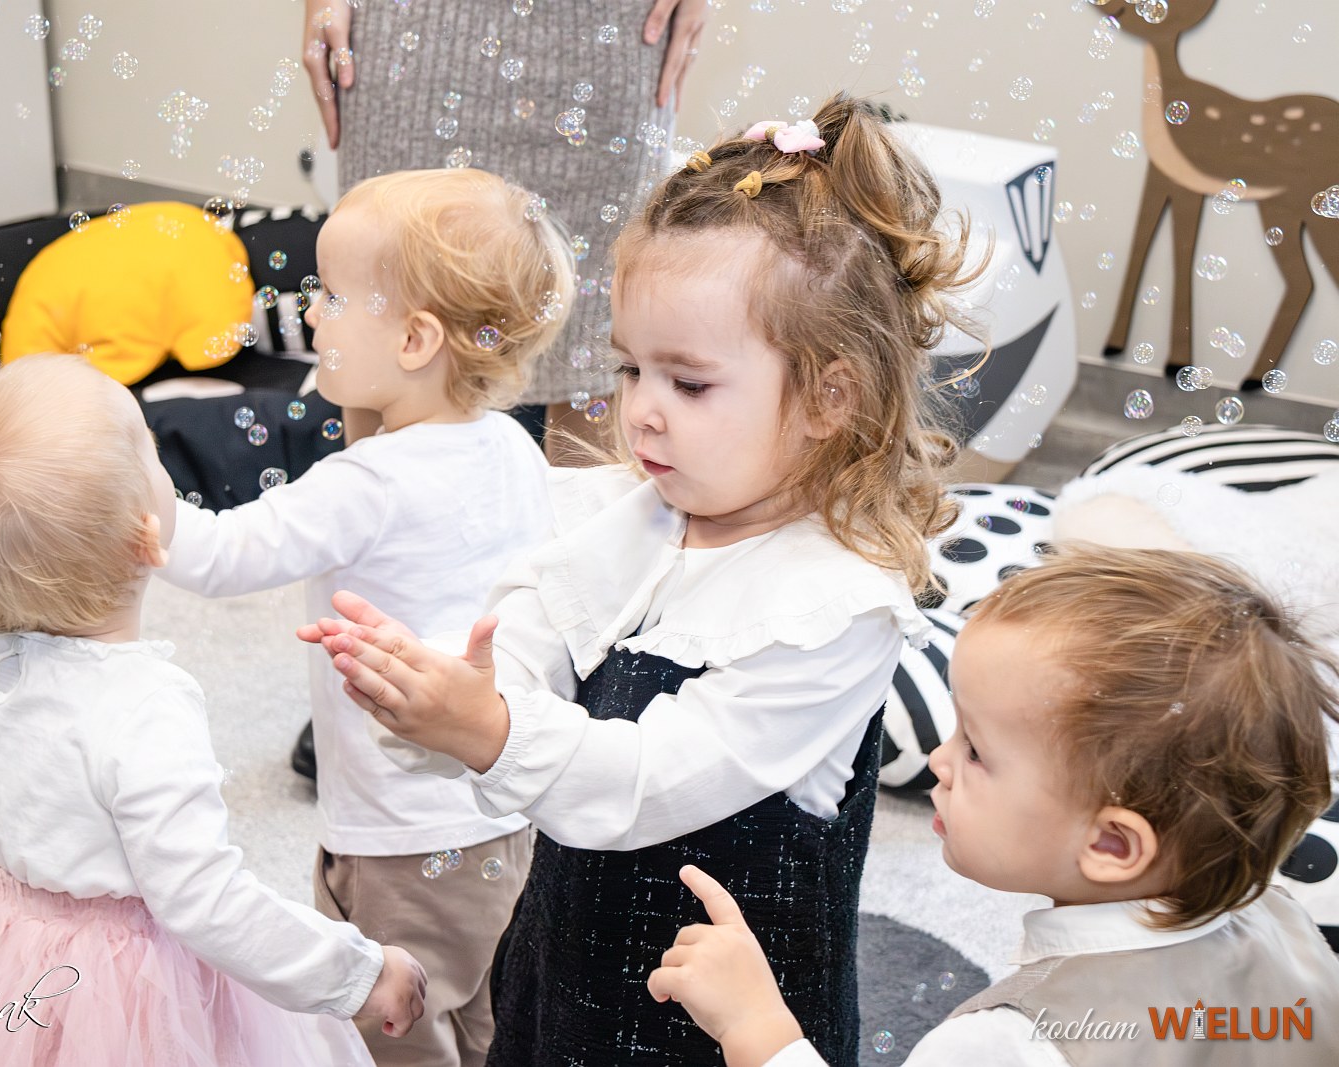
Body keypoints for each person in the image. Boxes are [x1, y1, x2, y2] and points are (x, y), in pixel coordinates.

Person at [302, 95, 980, 1065]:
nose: (641, 412)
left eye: (688, 382)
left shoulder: (833, 609)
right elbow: (528, 629)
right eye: (629, 370)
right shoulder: (628, 512)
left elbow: (644, 782)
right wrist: (443, 695)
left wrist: (490, 730)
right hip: (567, 969)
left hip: (713, 1029)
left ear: (830, 395)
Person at [0, 354, 424, 1067]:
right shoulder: (146, 706)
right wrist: (358, 975)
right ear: (147, 537)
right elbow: (208, 902)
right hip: (122, 984)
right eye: (150, 449)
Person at [157, 167, 574, 1067]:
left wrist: (131, 475)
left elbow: (217, 555)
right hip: (504, 802)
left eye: (333, 296)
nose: (310, 314)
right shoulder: (513, 445)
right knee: (493, 1015)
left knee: (391, 1030)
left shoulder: (363, 485)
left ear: (416, 339)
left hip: (397, 840)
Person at [647, 545, 1339, 1066]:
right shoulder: (1288, 928)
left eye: (976, 750)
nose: (940, 761)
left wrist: (757, 1027)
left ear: (1112, 845)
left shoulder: (1012, 1041)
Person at [302, 0, 709, 461]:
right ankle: (370, 500)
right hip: (408, 28)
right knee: (378, 294)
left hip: (608, 29)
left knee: (594, 349)